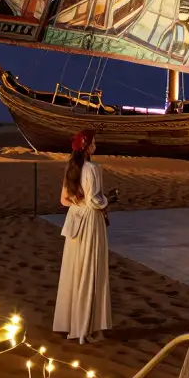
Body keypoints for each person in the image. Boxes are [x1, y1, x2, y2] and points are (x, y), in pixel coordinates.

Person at [53, 129, 112, 344]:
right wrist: (106, 201)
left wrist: (80, 203)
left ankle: (72, 324)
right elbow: (96, 201)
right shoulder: (94, 168)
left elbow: (64, 200)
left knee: (75, 270)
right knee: (91, 270)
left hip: (74, 222)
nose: (95, 145)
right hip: (90, 223)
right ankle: (87, 328)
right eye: (93, 142)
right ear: (87, 147)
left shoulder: (72, 168)